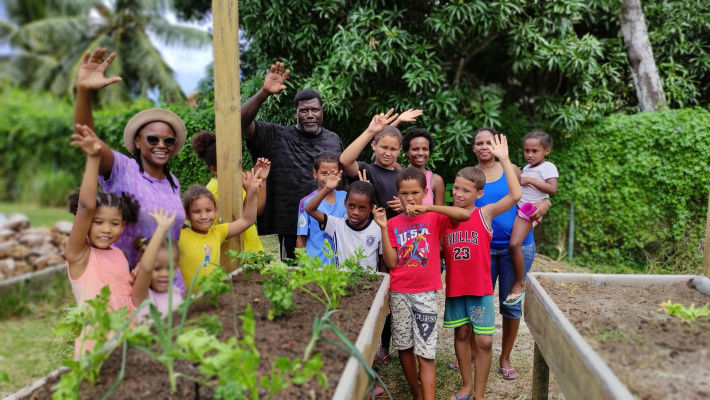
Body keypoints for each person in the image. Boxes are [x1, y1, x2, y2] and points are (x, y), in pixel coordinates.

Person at [73, 48, 187, 293]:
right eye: (153, 139)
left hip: (170, 287)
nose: (161, 145)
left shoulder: (173, 182)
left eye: (169, 141)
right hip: (128, 287)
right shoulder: (122, 169)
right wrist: (84, 92)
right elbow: (88, 139)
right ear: (137, 141)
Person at [442, 135, 522, 400]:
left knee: (484, 340)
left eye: (466, 191)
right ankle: (466, 386)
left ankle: (479, 394)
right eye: (456, 188)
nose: (459, 194)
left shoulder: (483, 214)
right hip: (456, 289)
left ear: (479, 194)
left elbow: (515, 195)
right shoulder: (444, 218)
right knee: (462, 333)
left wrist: (505, 159)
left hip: (480, 288)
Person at [380, 167, 471, 400]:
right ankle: (417, 393)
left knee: (426, 352)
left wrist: (428, 206)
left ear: (425, 192)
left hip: (426, 293)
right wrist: (382, 228)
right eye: (404, 193)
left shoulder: (434, 216)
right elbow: (391, 262)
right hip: (399, 292)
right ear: (397, 194)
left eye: (415, 192)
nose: (409, 198)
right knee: (404, 346)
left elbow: (464, 215)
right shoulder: (392, 224)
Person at [241, 62, 343, 260]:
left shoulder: (333, 139)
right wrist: (264, 92)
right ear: (295, 113)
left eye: (315, 110)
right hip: (291, 225)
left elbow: (342, 177)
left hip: (329, 222)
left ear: (322, 111)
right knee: (295, 280)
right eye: (304, 110)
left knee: (331, 277)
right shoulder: (276, 135)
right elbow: (239, 121)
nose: (310, 115)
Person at [470, 127, 550, 381]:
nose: (484, 147)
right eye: (479, 143)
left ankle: (505, 357)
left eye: (489, 142)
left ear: (497, 145)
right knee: (477, 302)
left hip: (517, 247)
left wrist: (545, 204)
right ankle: (473, 351)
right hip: (483, 249)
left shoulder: (513, 169)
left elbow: (538, 195)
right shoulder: (470, 176)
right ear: (473, 147)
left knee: (510, 306)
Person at [65, 124, 140, 357]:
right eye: (98, 222)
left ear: (123, 225)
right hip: (94, 345)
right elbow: (86, 207)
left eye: (114, 223)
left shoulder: (119, 255)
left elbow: (126, 299)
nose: (106, 230)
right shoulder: (79, 254)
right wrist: (93, 159)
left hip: (126, 340)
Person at [191, 130, 271, 253]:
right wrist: (250, 191)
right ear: (214, 169)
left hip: (252, 254)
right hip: (237, 259)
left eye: (237, 162)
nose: (236, 167)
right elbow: (242, 220)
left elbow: (257, 210)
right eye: (229, 164)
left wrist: (261, 179)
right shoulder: (215, 191)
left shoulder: (237, 182)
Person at [178, 171, 261, 288]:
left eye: (208, 210)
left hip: (213, 298)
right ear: (186, 214)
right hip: (189, 302)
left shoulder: (217, 232)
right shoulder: (180, 235)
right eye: (197, 211)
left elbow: (247, 220)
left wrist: (251, 192)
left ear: (216, 211)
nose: (204, 216)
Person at [506, 130, 558, 304]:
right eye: (526, 150)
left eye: (534, 151)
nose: (529, 155)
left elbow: (552, 189)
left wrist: (529, 180)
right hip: (519, 208)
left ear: (546, 151)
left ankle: (520, 282)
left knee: (514, 243)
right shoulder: (528, 168)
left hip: (530, 212)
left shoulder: (547, 167)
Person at [304, 170, 384, 270]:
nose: (355, 212)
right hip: (342, 283)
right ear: (345, 203)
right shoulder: (336, 225)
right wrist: (327, 189)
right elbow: (309, 209)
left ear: (371, 208)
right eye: (351, 205)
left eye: (362, 208)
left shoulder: (378, 228)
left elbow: (382, 261)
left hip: (369, 284)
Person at [340, 109, 405, 220]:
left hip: (396, 234)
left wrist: (405, 204)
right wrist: (370, 131)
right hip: (370, 235)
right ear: (374, 145)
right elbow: (345, 160)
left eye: (393, 149)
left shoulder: (402, 177)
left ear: (400, 150)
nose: (388, 153)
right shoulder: (366, 171)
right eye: (384, 147)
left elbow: (415, 204)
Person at [296, 152, 348, 264]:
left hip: (343, 266)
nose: (328, 178)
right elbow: (301, 238)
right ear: (315, 174)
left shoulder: (345, 197)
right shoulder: (306, 202)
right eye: (324, 173)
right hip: (316, 267)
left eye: (333, 173)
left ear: (340, 174)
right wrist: (301, 268)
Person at [132, 209, 184, 320]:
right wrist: (161, 229)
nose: (165, 274)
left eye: (171, 268)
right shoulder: (143, 296)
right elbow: (145, 269)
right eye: (157, 268)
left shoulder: (175, 292)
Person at [402, 128, 445, 206]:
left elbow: (439, 214)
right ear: (407, 152)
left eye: (425, 149)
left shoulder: (436, 180)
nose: (421, 153)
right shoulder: (400, 176)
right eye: (415, 149)